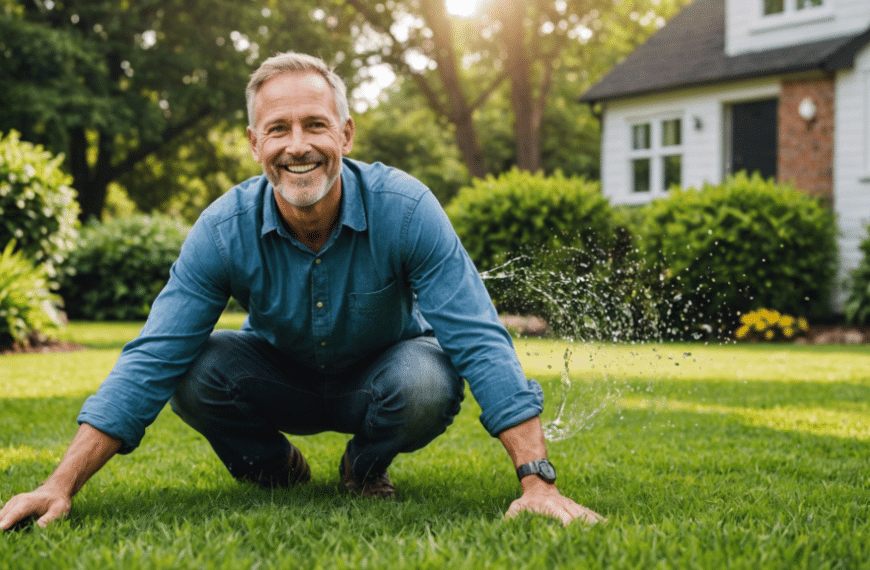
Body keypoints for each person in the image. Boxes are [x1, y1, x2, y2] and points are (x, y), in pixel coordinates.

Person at [0, 52, 605, 530]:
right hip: (276, 378)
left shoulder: (407, 208)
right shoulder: (221, 228)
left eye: (315, 125)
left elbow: (478, 336)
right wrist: (58, 485)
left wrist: (538, 480)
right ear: (253, 142)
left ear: (345, 134)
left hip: (386, 376)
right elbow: (152, 356)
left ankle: (363, 467)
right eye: (278, 129)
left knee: (428, 381)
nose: (297, 146)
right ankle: (275, 468)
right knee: (191, 366)